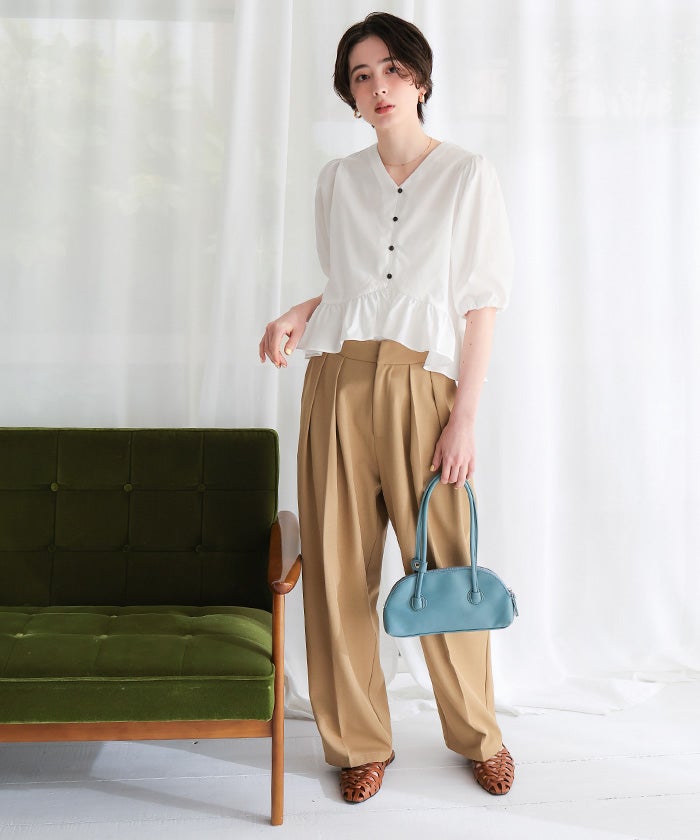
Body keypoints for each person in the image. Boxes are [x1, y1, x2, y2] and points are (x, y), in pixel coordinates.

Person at [259, 11, 515, 803]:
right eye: (361, 76)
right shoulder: (337, 179)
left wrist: (464, 417)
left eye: (392, 70)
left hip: (423, 387)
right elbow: (356, 285)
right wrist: (304, 311)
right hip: (335, 382)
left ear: (421, 78)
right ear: (351, 93)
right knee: (338, 572)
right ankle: (358, 742)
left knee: (444, 568)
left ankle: (478, 733)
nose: (378, 87)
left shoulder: (467, 174)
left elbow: (479, 303)